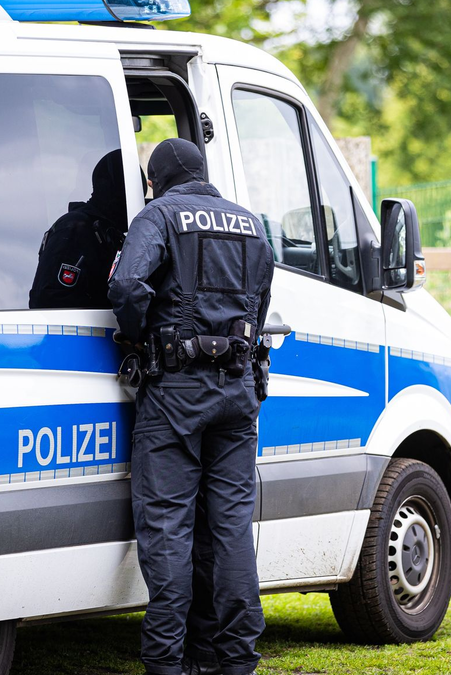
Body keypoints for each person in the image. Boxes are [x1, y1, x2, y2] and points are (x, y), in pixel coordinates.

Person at [108, 138, 273, 675]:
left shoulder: (159, 216)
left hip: (176, 393)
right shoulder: (250, 225)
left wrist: (138, 337)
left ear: (155, 181)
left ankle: (166, 663)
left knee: (167, 527)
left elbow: (127, 285)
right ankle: (235, 660)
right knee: (231, 529)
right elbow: (261, 303)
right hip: (238, 391)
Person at [28, 149, 143, 309]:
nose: (136, 209)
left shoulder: (107, 233)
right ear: (114, 192)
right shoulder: (77, 229)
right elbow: (51, 301)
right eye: (131, 196)